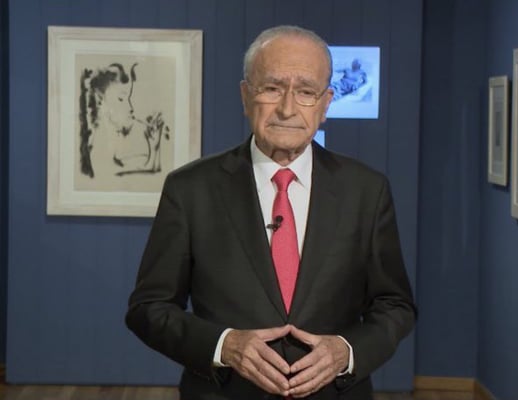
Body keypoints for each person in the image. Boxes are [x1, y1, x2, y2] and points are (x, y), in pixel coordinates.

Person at [125, 25, 416, 400]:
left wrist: (347, 351)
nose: (287, 108)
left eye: (306, 92)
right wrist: (225, 345)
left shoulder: (367, 190)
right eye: (272, 88)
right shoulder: (190, 189)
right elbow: (148, 308)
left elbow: (395, 305)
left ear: (326, 104)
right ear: (246, 96)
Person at [79, 62, 169, 179]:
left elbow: (151, 169)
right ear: (100, 99)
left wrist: (155, 146)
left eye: (128, 99)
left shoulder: (112, 142)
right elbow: (118, 175)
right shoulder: (100, 146)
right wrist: (154, 150)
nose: (130, 108)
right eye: (121, 99)